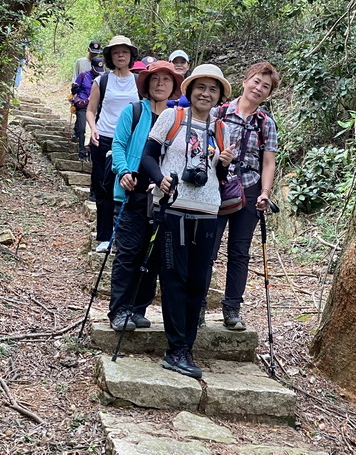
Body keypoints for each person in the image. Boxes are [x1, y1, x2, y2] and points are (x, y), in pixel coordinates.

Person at [141, 64, 234, 379]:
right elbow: (148, 157)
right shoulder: (172, 117)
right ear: (190, 90)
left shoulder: (220, 129)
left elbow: (219, 178)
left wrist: (222, 164)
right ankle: (175, 349)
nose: (205, 94)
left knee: (198, 282)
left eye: (212, 89)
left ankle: (186, 348)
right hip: (174, 208)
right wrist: (160, 180)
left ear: (219, 96)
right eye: (201, 87)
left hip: (207, 211)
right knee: (173, 279)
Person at [201, 61, 280, 331]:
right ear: (246, 80)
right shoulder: (219, 113)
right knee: (207, 248)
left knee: (239, 251)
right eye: (256, 81)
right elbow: (200, 144)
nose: (258, 88)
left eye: (265, 86)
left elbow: (268, 161)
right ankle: (198, 304)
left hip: (249, 188)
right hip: (217, 185)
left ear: (269, 94)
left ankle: (232, 307)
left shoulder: (266, 123)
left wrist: (266, 193)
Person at [108, 61, 184, 331]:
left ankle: (139, 308)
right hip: (133, 192)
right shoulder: (135, 111)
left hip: (163, 197)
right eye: (155, 79)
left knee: (152, 256)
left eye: (167, 80)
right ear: (147, 84)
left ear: (174, 86)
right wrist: (123, 170)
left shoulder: (179, 118)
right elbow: (118, 143)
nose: (160, 84)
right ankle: (119, 310)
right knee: (129, 252)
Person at [86, 36, 139, 253]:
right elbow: (91, 109)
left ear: (130, 55)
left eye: (124, 52)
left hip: (130, 140)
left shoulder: (139, 81)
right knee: (103, 188)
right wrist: (93, 128)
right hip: (105, 137)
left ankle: (126, 236)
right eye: (116, 52)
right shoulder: (102, 81)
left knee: (131, 186)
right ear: (110, 56)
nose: (120, 55)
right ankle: (105, 237)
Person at [71, 57, 105, 161]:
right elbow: (74, 90)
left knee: (95, 130)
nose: (97, 72)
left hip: (95, 107)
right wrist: (75, 88)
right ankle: (81, 152)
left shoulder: (101, 78)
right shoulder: (83, 75)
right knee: (81, 129)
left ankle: (91, 151)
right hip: (83, 104)